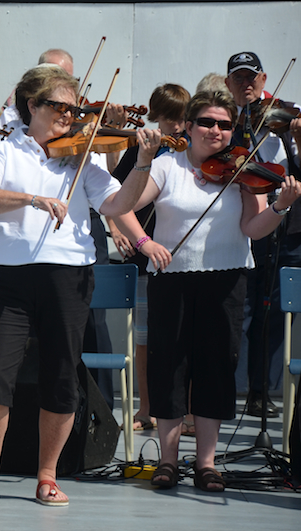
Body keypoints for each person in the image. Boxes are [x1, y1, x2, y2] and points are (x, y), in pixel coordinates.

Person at [0, 64, 166, 507]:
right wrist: (31, 199)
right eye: (60, 107)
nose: (70, 117)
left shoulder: (82, 155)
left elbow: (117, 203)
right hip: (10, 276)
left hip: (68, 275)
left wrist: (143, 163)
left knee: (61, 375)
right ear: (32, 105)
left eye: (74, 110)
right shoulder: (3, 150)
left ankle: (48, 475)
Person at [121, 90, 301, 491]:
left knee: (216, 367)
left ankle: (206, 463)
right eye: (206, 122)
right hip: (173, 277)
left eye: (224, 124)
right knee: (169, 366)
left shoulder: (241, 170)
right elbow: (124, 205)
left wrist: (281, 206)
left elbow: (252, 229)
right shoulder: (168, 167)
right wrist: (143, 242)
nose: (216, 131)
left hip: (227, 277)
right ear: (188, 125)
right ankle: (167, 461)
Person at [110, 83, 190, 431]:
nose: (175, 127)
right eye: (168, 119)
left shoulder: (189, 152)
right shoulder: (144, 149)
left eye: (181, 119)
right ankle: (146, 409)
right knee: (144, 338)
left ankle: (186, 411)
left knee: (184, 337)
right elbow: (113, 193)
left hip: (183, 256)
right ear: (154, 117)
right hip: (146, 257)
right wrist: (117, 230)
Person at [226, 52, 301, 419]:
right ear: (229, 84)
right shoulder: (225, 119)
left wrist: (296, 137)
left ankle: (261, 390)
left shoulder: (287, 116)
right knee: (243, 307)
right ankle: (235, 385)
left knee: (272, 313)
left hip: (285, 225)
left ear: (264, 78)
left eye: (252, 77)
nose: (247, 84)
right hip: (244, 223)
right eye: (239, 78)